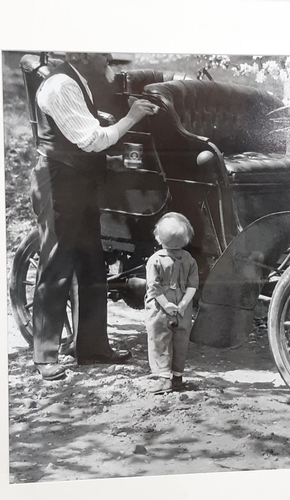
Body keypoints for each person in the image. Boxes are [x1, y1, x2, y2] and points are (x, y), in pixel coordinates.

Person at [31, 52, 158, 380]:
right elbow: (91, 139)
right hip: (58, 183)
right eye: (104, 57)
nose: (109, 63)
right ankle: (45, 354)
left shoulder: (78, 80)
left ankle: (92, 348)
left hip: (81, 184)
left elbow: (85, 128)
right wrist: (130, 118)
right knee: (57, 263)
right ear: (81, 56)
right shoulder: (60, 85)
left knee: (92, 263)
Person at [144, 213, 199, 393]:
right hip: (183, 309)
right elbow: (193, 286)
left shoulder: (155, 260)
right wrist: (183, 303)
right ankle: (177, 377)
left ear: (159, 238)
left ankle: (163, 378)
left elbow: (153, 287)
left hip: (161, 308)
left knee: (160, 338)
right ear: (187, 239)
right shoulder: (190, 260)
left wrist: (166, 304)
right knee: (180, 340)